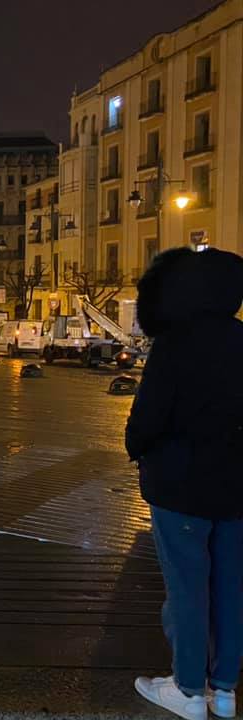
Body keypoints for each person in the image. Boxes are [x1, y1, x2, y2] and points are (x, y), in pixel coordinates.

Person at [126, 248, 243, 720]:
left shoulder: (175, 344)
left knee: (188, 586)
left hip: (180, 487)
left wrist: (137, 447)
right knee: (232, 587)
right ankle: (225, 689)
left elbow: (147, 418)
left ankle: (189, 690)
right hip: (237, 488)